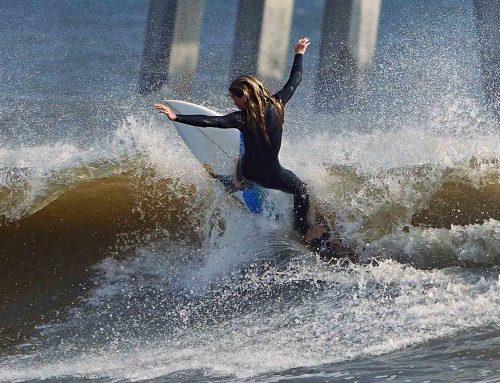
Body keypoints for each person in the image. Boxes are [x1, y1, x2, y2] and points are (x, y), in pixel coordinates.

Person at [154, 37, 326, 242]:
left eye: (235, 99)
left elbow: (213, 122)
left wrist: (177, 117)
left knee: (242, 164)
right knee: (301, 190)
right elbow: (295, 80)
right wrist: (299, 54)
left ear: (245, 97)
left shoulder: (242, 118)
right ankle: (302, 228)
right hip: (271, 174)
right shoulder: (278, 103)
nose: (234, 103)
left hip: (249, 169)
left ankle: (232, 182)